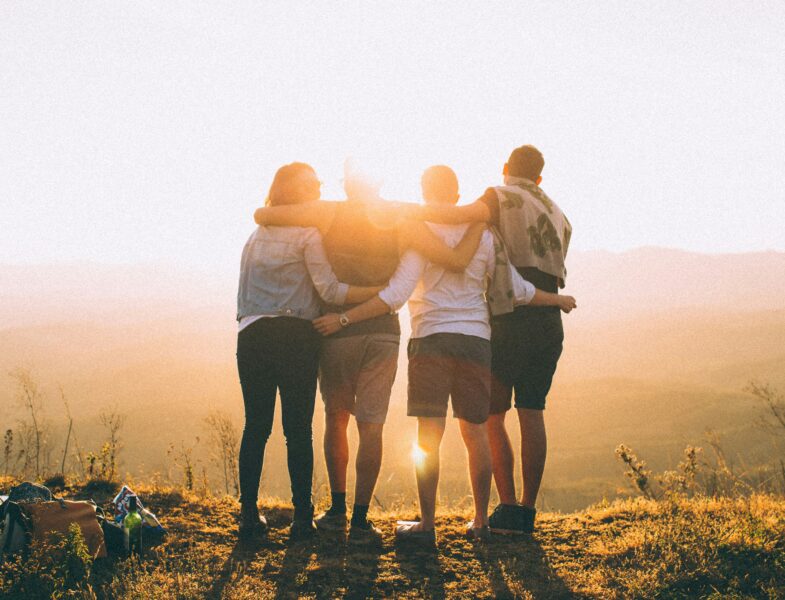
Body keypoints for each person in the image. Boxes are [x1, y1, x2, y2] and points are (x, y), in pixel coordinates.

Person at [314, 165, 575, 544]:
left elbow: (396, 295)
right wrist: (558, 299)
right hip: (476, 342)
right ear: (457, 195)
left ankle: (427, 525)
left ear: (424, 191)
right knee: (476, 434)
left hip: (431, 339)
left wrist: (344, 318)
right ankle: (482, 522)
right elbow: (517, 290)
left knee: (428, 437)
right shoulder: (485, 235)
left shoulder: (419, 233)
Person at [252, 161, 485, 543]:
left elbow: (265, 214)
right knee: (371, 425)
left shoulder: (328, 212)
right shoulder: (401, 215)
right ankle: (361, 521)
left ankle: (337, 510)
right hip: (383, 332)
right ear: (380, 180)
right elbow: (449, 252)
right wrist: (480, 218)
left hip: (336, 330)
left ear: (346, 185)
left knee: (336, 419)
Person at [410, 146, 573, 534]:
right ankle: (527, 513)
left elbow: (458, 216)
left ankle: (507, 507)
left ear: (505, 169)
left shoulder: (498, 196)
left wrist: (402, 214)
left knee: (492, 417)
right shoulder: (558, 212)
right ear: (540, 177)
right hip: (547, 319)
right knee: (533, 411)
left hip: (509, 317)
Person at [236, 162, 383, 541]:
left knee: (256, 427)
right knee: (297, 430)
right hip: (295, 337)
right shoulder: (307, 234)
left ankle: (248, 516)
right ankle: (302, 519)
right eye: (312, 184)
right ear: (295, 193)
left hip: (252, 335)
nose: (318, 188)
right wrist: (378, 293)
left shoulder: (255, 236)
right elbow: (330, 291)